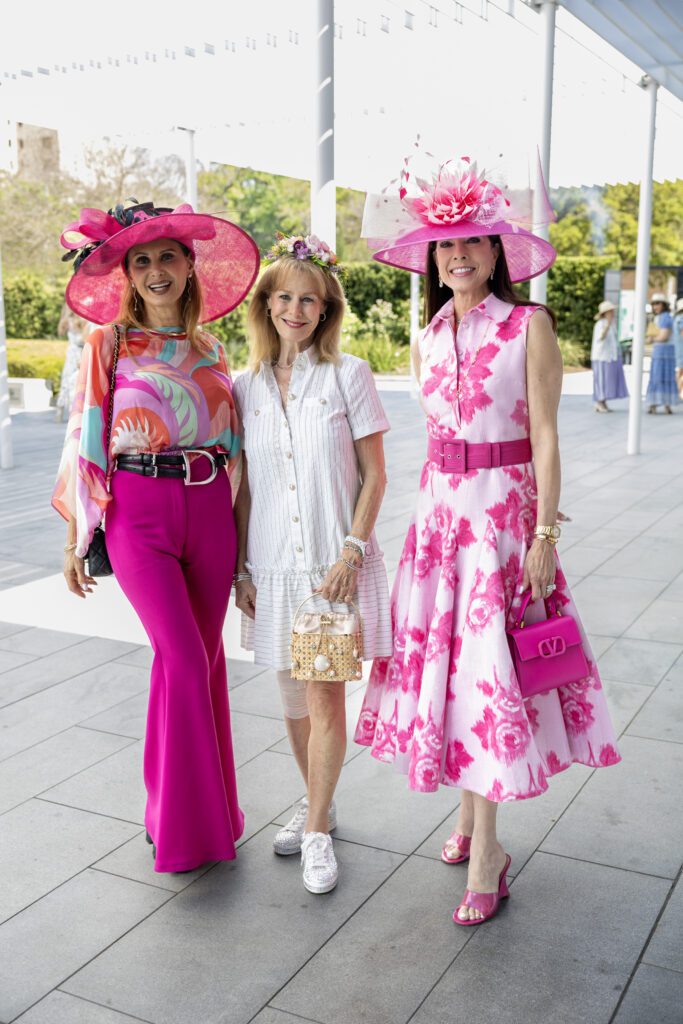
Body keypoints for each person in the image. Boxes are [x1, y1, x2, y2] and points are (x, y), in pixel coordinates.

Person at [355, 153, 621, 926]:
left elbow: (543, 433)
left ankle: (488, 852)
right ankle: (470, 820)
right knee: (451, 675)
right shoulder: (427, 333)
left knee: (484, 677)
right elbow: (435, 439)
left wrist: (542, 533)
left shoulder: (528, 325)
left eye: (472, 243)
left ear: (497, 251)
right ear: (432, 258)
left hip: (502, 524)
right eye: (445, 246)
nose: (458, 256)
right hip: (440, 527)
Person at [52, 200, 260, 872]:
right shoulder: (108, 344)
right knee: (182, 659)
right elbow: (84, 438)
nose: (155, 270)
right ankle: (187, 829)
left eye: (166, 256)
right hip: (139, 511)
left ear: (187, 263)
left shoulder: (213, 348)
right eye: (140, 262)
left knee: (203, 662)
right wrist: (78, 534)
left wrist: (245, 550)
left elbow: (235, 449)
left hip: (208, 511)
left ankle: (198, 811)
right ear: (128, 277)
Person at [233, 233, 391, 894]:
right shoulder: (242, 387)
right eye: (285, 298)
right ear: (265, 305)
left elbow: (375, 475)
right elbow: (243, 485)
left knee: (325, 695)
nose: (297, 310)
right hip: (271, 567)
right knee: (293, 698)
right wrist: (241, 567)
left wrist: (351, 551)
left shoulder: (348, 374)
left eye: (311, 301)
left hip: (334, 564)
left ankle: (319, 830)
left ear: (326, 310)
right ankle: (315, 801)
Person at [591, 300, 628, 412]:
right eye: (610, 311)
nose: (612, 313)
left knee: (607, 380)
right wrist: (607, 325)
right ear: (605, 313)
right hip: (600, 357)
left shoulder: (612, 325)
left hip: (610, 357)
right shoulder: (600, 324)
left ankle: (603, 402)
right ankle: (599, 402)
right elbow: (601, 338)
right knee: (601, 380)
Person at [646, 293, 678, 413]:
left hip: (665, 352)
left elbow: (664, 336)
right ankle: (657, 404)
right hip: (659, 351)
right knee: (657, 377)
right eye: (654, 304)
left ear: (664, 305)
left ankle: (665, 404)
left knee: (662, 376)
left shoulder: (666, 317)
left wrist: (651, 339)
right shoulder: (657, 318)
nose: (655, 306)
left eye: (658, 303)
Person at [55, 305, 88, 422]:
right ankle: (65, 410)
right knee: (70, 380)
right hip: (75, 353)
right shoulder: (71, 321)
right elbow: (84, 339)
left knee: (70, 380)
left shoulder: (80, 321)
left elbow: (84, 340)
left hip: (77, 352)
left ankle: (66, 410)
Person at [673, 297, 683, 400]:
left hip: (678, 348)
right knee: (680, 370)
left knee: (680, 370)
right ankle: (679, 392)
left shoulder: (677, 318)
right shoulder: (681, 318)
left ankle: (679, 392)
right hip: (681, 348)